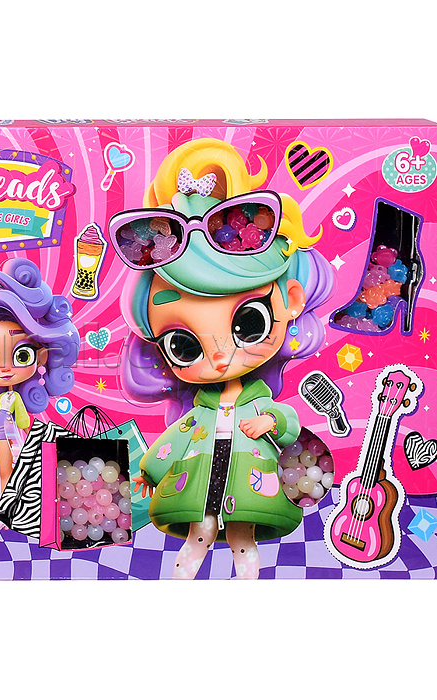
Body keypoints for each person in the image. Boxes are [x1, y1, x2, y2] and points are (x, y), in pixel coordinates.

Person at [114, 138, 334, 578]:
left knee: (241, 537)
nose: (218, 356)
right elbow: (173, 441)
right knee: (200, 533)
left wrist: (272, 422)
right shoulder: (199, 411)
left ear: (291, 300)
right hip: (201, 483)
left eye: (249, 322)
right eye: (183, 344)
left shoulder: (259, 399)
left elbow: (288, 422)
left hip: (251, 484)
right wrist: (148, 471)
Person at [0, 258, 80, 515]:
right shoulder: (4, 398)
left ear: (41, 357)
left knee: (10, 469)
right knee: (1, 468)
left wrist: (7, 416)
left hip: (5, 432)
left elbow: (21, 419)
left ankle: (11, 504)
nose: (6, 370)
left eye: (22, 355)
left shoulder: (15, 398)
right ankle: (6, 504)